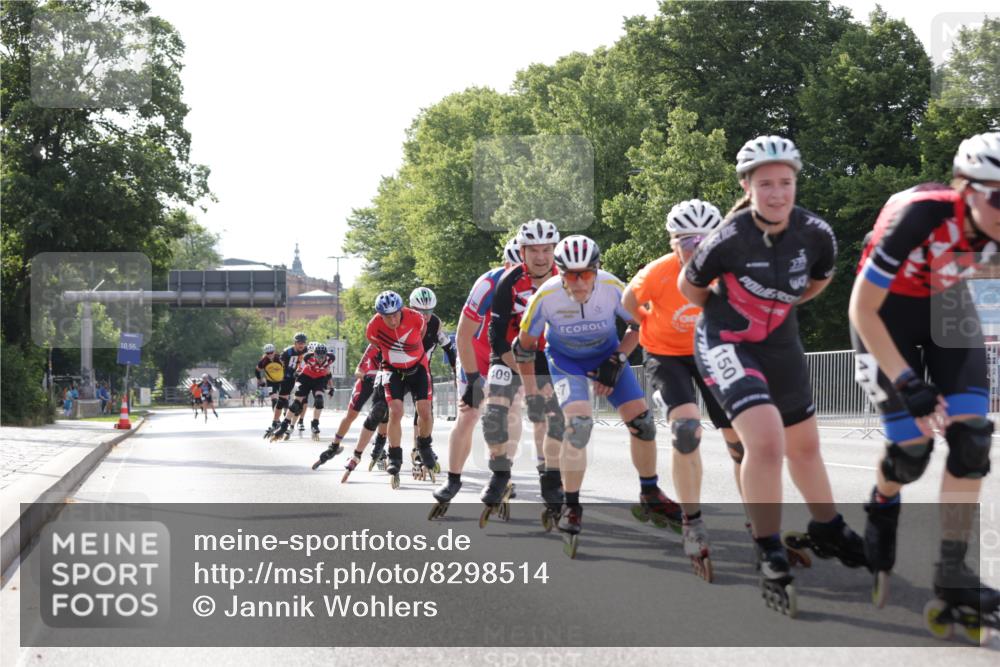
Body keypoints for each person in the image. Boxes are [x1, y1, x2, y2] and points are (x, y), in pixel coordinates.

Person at [678, 135, 866, 613]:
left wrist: (777, 309)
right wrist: (730, 312)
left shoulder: (816, 233)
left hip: (780, 342)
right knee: (765, 443)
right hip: (727, 339)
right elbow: (690, 287)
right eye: (766, 184)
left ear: (796, 182)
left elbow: (818, 281)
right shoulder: (729, 236)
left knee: (805, 446)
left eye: (785, 182)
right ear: (747, 186)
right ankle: (768, 551)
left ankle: (828, 525)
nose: (778, 193)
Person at [848, 131, 1000, 628]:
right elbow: (862, 308)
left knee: (972, 440)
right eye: (998, 198)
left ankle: (952, 573)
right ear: (965, 190)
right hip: (883, 312)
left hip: (946, 306)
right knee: (912, 453)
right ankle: (882, 501)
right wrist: (908, 382)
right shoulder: (921, 215)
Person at [518, 235, 680, 557]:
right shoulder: (545, 296)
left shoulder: (612, 287)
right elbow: (523, 348)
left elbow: (640, 326)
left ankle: (649, 492)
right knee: (579, 425)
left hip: (608, 356)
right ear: (559, 273)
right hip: (566, 362)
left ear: (597, 269)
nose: (579, 283)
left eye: (586, 274)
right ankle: (571, 505)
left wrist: (618, 360)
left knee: (643, 423)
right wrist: (533, 393)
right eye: (570, 275)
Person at [622, 198, 738, 580]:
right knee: (686, 431)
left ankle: (760, 523)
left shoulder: (729, 270)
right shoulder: (657, 273)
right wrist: (648, 324)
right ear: (673, 242)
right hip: (666, 354)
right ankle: (692, 521)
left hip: (711, 350)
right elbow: (628, 302)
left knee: (740, 441)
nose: (696, 250)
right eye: (687, 242)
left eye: (706, 241)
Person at [429, 239, 522, 516]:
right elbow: (462, 335)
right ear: (505, 264)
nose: (519, 275)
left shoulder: (544, 285)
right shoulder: (488, 284)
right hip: (476, 355)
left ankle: (503, 472)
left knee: (510, 414)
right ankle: (453, 479)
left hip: (510, 357)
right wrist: (472, 379)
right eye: (513, 267)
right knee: (468, 414)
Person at [480, 220, 564, 523]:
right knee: (493, 416)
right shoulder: (509, 281)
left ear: (554, 250)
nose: (540, 257)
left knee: (549, 418)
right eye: (533, 251)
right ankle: (500, 473)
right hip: (508, 352)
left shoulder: (567, 279)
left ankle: (550, 480)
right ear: (523, 251)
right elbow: (496, 335)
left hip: (546, 354)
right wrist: (523, 373)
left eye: (546, 250)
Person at [364, 290, 433, 487]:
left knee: (424, 411)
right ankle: (394, 456)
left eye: (395, 315)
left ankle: (424, 446)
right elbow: (375, 343)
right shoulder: (373, 326)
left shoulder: (416, 317)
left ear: (401, 309)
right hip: (392, 370)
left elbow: (421, 334)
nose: (393, 320)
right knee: (395, 411)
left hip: (418, 367)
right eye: (387, 317)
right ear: (380, 315)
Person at [406, 286, 457, 474]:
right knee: (386, 409)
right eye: (421, 311)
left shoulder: (435, 323)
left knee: (425, 412)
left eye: (429, 311)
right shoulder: (402, 320)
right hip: (399, 371)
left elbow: (449, 347)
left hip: (422, 371)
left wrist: (455, 371)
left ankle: (419, 448)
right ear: (412, 308)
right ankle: (382, 442)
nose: (426, 315)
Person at [274, 343, 334, 441]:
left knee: (319, 400)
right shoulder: (308, 357)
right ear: (314, 354)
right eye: (318, 357)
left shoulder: (330, 358)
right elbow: (300, 368)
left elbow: (328, 373)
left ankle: (315, 424)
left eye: (322, 357)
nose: (320, 359)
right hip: (306, 378)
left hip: (319, 379)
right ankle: (284, 425)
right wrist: (297, 374)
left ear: (326, 355)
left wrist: (332, 387)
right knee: (296, 404)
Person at [266, 333, 309, 439]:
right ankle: (275, 422)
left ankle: (293, 424)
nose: (301, 345)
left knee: (300, 403)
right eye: (299, 343)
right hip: (288, 377)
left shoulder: (307, 350)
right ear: (295, 343)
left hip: (300, 378)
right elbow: (280, 365)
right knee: (281, 401)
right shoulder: (287, 352)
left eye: (303, 343)